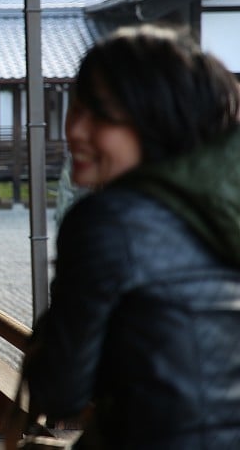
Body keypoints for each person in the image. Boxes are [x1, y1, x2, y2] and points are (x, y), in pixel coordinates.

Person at [17, 24, 240, 448]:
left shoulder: (110, 219)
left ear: (156, 120)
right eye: (76, 107)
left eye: (100, 114)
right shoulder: (224, 203)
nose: (75, 130)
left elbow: (58, 392)